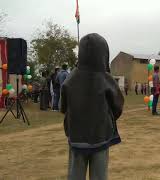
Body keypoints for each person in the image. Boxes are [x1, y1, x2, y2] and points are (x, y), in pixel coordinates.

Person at [60, 33, 124, 180]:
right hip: (100, 134)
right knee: (99, 175)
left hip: (76, 136)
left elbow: (62, 107)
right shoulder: (106, 78)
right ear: (104, 54)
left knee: (75, 174)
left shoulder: (70, 79)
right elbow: (118, 106)